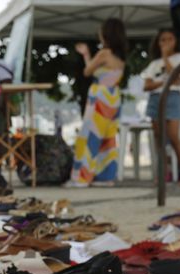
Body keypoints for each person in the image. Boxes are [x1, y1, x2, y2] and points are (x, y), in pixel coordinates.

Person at [69, 18, 127, 187]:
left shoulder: (104, 53)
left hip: (100, 97)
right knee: (108, 138)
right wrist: (87, 54)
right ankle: (105, 175)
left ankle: (83, 177)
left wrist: (86, 54)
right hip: (113, 97)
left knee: (91, 136)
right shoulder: (120, 57)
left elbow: (88, 71)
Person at [143, 28, 180, 185]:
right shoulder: (154, 64)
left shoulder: (179, 58)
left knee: (174, 137)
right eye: (162, 40)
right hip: (155, 99)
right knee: (159, 139)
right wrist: (163, 82)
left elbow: (176, 79)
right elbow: (147, 85)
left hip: (173, 97)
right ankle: (163, 173)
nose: (166, 43)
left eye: (170, 39)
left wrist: (166, 58)